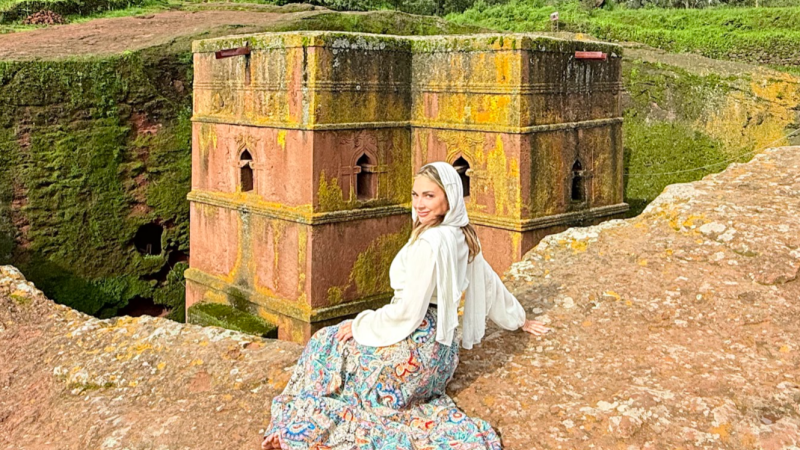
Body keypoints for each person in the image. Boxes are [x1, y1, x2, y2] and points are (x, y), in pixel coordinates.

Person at [261, 162, 550, 450]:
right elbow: (488, 281)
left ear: (448, 197)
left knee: (326, 343)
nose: (420, 204)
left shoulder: (430, 243)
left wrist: (361, 325)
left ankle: (299, 430)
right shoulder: (461, 233)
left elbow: (407, 312)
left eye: (429, 196)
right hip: (441, 355)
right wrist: (518, 319)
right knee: (337, 352)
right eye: (415, 195)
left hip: (413, 349)